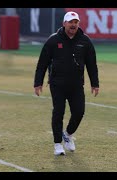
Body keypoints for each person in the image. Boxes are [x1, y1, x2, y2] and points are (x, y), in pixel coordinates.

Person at [33, 11, 99, 156]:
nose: (73, 25)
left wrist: (95, 83)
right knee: (58, 112)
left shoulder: (85, 41)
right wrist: (38, 82)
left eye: (76, 22)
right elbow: (42, 63)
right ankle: (57, 144)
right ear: (64, 24)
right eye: (70, 22)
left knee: (79, 112)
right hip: (57, 84)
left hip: (76, 85)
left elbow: (91, 64)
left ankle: (68, 134)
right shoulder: (53, 40)